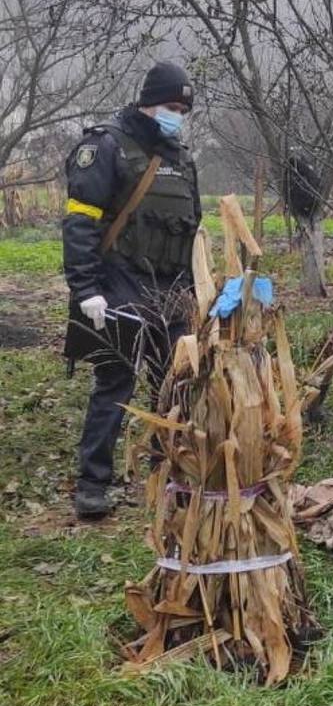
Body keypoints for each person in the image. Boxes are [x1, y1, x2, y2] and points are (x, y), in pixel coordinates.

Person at [62, 60, 199, 520]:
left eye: (183, 107)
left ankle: (171, 470)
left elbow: (192, 231)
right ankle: (93, 483)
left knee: (176, 383)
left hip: (173, 288)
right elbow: (80, 224)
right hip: (118, 283)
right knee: (115, 383)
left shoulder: (181, 159)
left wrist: (201, 290)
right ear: (146, 101)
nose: (176, 114)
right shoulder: (105, 147)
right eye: (170, 105)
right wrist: (85, 289)